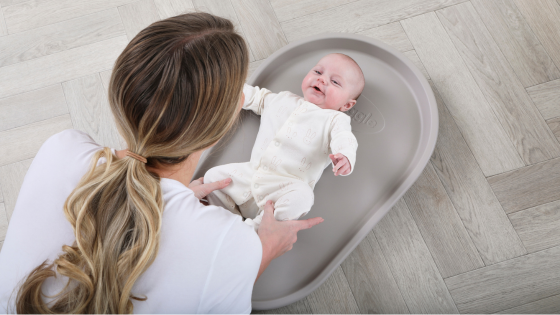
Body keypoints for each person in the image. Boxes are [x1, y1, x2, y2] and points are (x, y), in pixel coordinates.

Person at [0, 12, 323, 314]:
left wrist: (175, 199)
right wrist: (263, 251)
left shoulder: (61, 149)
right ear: (225, 121)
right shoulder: (231, 247)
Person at [204, 53, 364, 231]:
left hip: (283, 189)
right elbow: (257, 97)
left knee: (303, 197)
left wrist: (345, 155)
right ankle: (225, 222)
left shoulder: (335, 119)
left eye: (335, 82)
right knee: (213, 178)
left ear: (347, 105)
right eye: (318, 71)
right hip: (250, 175)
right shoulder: (283, 99)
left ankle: (254, 230)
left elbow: (344, 137)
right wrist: (227, 87)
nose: (322, 80)